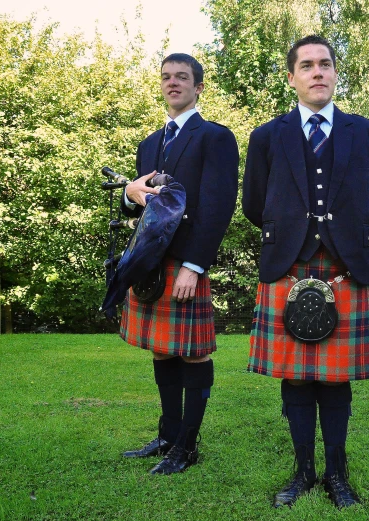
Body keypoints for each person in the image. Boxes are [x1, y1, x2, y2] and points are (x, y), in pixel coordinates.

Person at [242, 35, 369, 508]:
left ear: (335, 73)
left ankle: (337, 471)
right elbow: (254, 204)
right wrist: (291, 234)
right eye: (306, 65)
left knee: (335, 378)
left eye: (325, 64)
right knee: (296, 377)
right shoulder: (268, 136)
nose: (317, 72)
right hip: (288, 264)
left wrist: (348, 233)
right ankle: (303, 470)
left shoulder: (367, 133)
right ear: (292, 77)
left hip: (344, 265)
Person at [119, 53, 238, 475]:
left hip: (185, 262)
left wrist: (195, 264)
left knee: (191, 354)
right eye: (166, 77)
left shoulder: (215, 138)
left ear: (198, 86)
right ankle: (168, 435)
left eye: (182, 77)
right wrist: (128, 195)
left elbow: (218, 206)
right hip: (152, 264)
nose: (173, 83)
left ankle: (187, 445)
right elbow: (144, 206)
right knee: (163, 350)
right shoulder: (149, 143)